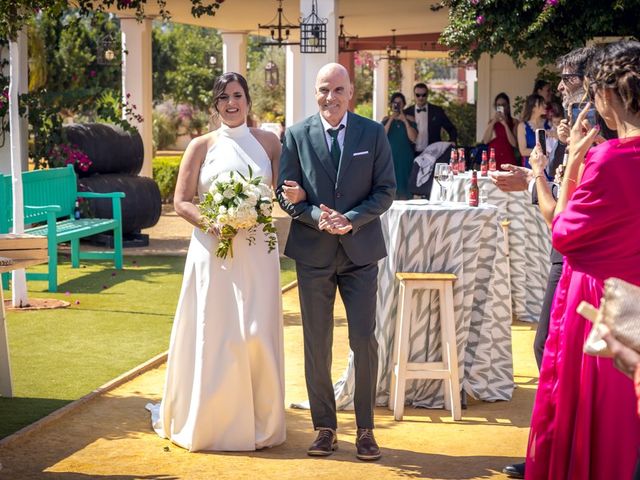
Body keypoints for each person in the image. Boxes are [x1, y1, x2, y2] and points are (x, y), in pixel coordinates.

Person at [147, 72, 286, 452]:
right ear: (215, 105)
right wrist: (218, 221)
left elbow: (283, 193)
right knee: (218, 334)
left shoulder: (270, 143)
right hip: (214, 251)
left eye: (237, 95)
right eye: (223, 97)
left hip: (258, 250)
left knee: (257, 333)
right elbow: (182, 201)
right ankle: (212, 422)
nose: (231, 103)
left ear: (248, 100)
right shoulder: (200, 145)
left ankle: (261, 423)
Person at [526, 40, 640, 479]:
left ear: (608, 95)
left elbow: (563, 231)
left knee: (594, 423)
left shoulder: (610, 158)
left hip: (603, 305)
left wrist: (571, 160)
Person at [277, 63, 395, 461]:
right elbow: (286, 193)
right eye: (324, 89)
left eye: (338, 89)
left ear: (351, 92)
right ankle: (324, 427)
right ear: (315, 92)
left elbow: (385, 191)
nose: (331, 97)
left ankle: (365, 429)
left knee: (364, 340)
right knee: (316, 343)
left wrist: (351, 220)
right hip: (313, 254)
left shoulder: (373, 133)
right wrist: (314, 217)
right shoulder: (294, 135)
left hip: (361, 253)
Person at [497, 46, 597, 479]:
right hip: (565, 253)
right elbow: (563, 185)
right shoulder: (573, 127)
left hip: (585, 259)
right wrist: (532, 176)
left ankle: (565, 452)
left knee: (557, 351)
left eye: (569, 78)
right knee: (553, 351)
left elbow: (560, 208)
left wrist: (536, 174)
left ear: (592, 81)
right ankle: (556, 450)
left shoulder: (597, 130)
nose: (559, 86)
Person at [404, 82, 457, 155]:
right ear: (414, 95)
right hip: (411, 153)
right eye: (418, 95)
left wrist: (452, 142)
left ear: (427, 95)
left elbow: (451, 129)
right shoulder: (406, 112)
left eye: (424, 95)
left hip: (432, 153)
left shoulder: (437, 111)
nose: (421, 97)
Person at [382, 92, 417, 199]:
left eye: (400, 103)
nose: (397, 105)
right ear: (391, 104)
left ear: (404, 104)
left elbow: (413, 138)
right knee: (390, 190)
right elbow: (382, 136)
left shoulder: (410, 119)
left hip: (405, 159)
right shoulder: (386, 119)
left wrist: (404, 120)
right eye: (395, 103)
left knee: (405, 190)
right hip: (390, 159)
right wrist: (392, 118)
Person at [481, 92, 519, 169]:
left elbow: (514, 143)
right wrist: (493, 122)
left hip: (508, 157)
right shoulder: (492, 122)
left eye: (503, 105)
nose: (501, 107)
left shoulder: (514, 122)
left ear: (508, 106)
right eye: (498, 105)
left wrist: (505, 124)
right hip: (494, 157)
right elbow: (485, 140)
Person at [516, 94, 549, 168]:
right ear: (533, 107)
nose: (545, 105)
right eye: (541, 103)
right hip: (531, 167)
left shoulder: (549, 123)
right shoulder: (522, 126)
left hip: (548, 166)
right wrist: (542, 152)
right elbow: (523, 151)